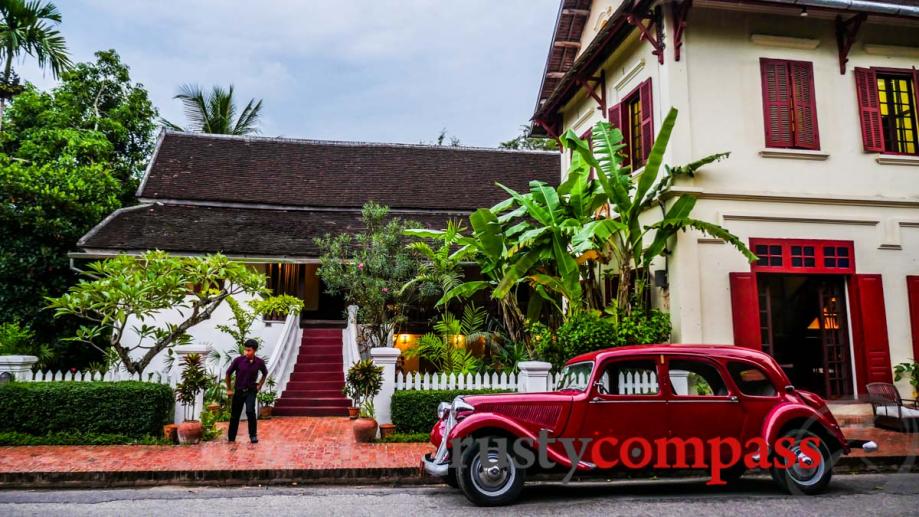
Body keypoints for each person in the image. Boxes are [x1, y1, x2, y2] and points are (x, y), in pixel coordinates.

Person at [225, 339, 268, 443]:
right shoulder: (238, 360)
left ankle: (253, 435)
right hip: (239, 391)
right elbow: (228, 374)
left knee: (250, 411)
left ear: (254, 351)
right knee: (235, 414)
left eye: (249, 350)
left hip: (251, 391)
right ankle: (231, 437)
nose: (246, 352)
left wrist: (260, 385)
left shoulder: (259, 362)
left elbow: (265, 373)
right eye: (245, 350)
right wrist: (229, 389)